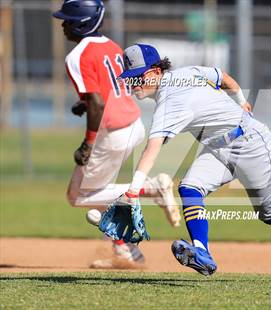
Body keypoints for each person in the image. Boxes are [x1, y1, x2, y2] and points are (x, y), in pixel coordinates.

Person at [118, 43, 271, 276]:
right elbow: (223, 77)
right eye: (129, 78)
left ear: (156, 72)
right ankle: (201, 252)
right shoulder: (187, 73)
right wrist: (240, 100)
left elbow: (152, 148)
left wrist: (132, 191)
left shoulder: (169, 101)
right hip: (217, 149)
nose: (133, 84)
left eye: (137, 77)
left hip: (251, 144)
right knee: (190, 187)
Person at [52, 0, 180, 269]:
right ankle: (125, 249)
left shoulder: (76, 56)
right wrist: (84, 102)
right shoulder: (111, 46)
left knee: (78, 196)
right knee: (98, 193)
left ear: (81, 23)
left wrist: (87, 144)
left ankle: (152, 189)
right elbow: (110, 88)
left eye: (68, 19)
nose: (63, 25)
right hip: (133, 124)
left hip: (112, 132)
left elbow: (98, 103)